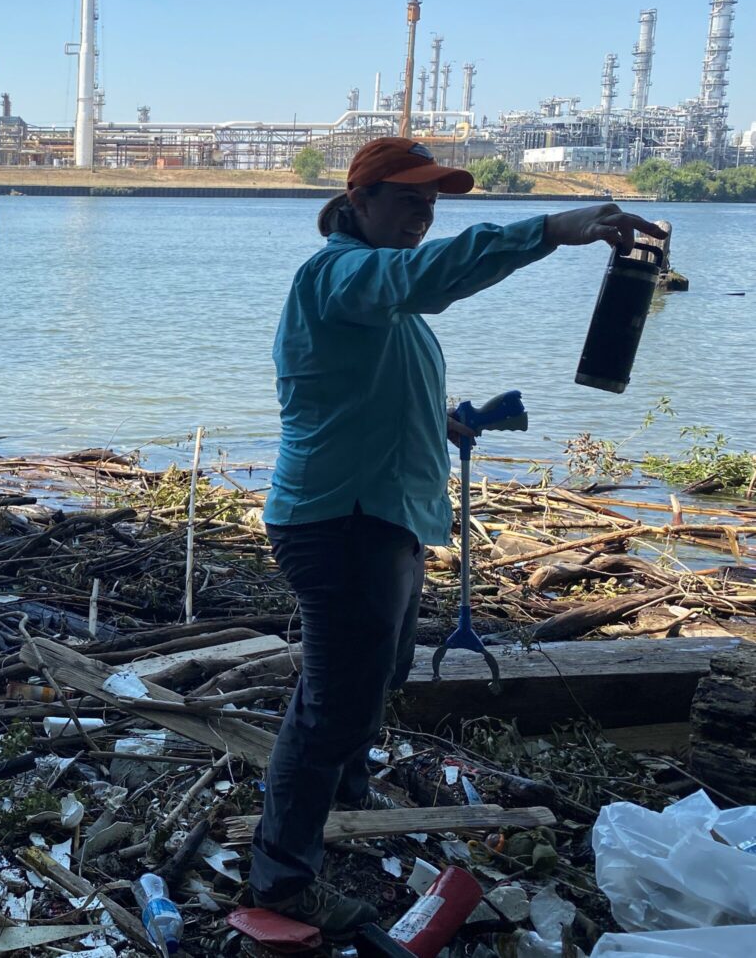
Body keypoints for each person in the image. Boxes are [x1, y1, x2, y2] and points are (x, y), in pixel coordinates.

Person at [246, 137, 665, 934]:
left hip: (390, 517)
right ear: (359, 201)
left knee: (380, 671)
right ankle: (283, 880)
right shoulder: (339, 275)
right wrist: (552, 230)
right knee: (333, 705)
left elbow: (366, 383)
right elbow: (428, 277)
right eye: (408, 198)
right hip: (337, 521)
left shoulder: (380, 302)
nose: (424, 213)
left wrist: (442, 419)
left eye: (433, 201)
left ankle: (344, 792)